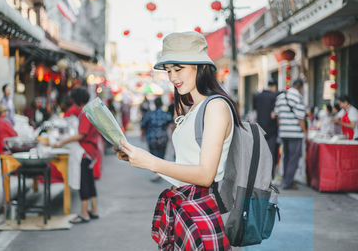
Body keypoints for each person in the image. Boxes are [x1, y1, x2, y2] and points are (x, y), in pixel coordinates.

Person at [116, 31, 238, 250]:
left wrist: (151, 162)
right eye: (169, 70)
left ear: (200, 67)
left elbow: (205, 174)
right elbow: (186, 164)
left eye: (178, 69)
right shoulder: (193, 108)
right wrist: (137, 158)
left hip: (203, 210)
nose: (172, 77)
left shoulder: (216, 106)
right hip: (187, 208)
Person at [55, 87, 100, 224]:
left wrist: (63, 141)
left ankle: (84, 213)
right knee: (90, 182)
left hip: (85, 153)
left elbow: (81, 135)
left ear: (77, 101)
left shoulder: (85, 114)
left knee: (84, 183)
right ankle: (94, 210)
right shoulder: (90, 111)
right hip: (91, 151)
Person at [274, 79, 307, 190]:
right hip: (295, 134)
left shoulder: (280, 97)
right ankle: (288, 183)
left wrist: (282, 127)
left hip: (283, 132)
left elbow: (277, 115)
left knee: (286, 156)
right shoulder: (298, 97)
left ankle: (286, 179)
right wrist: (305, 132)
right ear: (300, 87)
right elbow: (301, 118)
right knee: (294, 158)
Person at [141, 97, 172, 182]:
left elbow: (143, 125)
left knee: (154, 156)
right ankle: (159, 173)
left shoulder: (150, 114)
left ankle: (157, 173)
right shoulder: (166, 114)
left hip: (152, 137)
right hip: (163, 137)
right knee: (161, 156)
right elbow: (171, 124)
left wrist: (142, 136)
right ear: (162, 104)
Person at [253, 79, 278, 178]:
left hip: (260, 129)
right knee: (271, 153)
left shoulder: (257, 96)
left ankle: (260, 175)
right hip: (272, 130)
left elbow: (254, 111)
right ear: (274, 86)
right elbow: (273, 114)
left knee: (260, 153)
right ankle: (270, 175)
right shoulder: (274, 97)